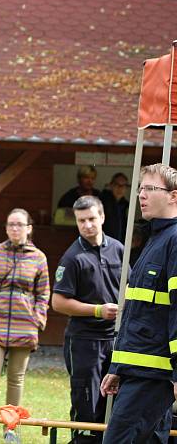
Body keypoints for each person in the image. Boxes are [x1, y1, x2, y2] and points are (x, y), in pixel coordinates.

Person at [101, 163, 177, 442]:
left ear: (174, 196)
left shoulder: (174, 240)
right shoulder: (155, 239)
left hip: (156, 373)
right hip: (139, 371)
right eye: (140, 189)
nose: (141, 195)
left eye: (150, 188)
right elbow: (136, 312)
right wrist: (117, 367)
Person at [51, 195, 122, 444]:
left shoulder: (118, 249)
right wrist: (97, 310)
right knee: (87, 406)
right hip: (84, 341)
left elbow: (130, 288)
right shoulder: (72, 257)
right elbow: (58, 302)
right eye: (81, 220)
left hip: (116, 339)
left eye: (92, 218)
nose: (87, 225)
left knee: (114, 404)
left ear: (102, 217)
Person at [0, 208, 50, 441]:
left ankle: (10, 431)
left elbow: (43, 294)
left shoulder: (39, 257)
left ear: (29, 228)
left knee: (15, 378)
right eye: (11, 224)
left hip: (24, 325)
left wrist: (37, 320)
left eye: (19, 225)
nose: (14, 229)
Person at [99, 172, 130, 242]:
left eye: (123, 185)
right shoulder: (102, 201)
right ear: (111, 185)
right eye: (117, 185)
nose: (120, 188)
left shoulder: (125, 205)